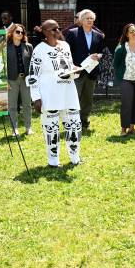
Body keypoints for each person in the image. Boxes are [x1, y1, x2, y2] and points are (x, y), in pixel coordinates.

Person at [29, 19, 82, 167]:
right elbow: (33, 75)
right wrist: (36, 97)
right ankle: (53, 161)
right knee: (51, 129)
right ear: (45, 32)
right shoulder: (39, 50)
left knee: (74, 125)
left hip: (68, 92)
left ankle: (75, 158)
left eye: (58, 28)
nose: (58, 31)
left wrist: (76, 70)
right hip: (49, 94)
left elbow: (68, 66)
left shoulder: (65, 46)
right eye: (53, 29)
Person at [64, 9, 105, 131]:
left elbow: (102, 51)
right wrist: (71, 66)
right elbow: (66, 52)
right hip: (77, 72)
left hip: (91, 71)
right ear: (81, 20)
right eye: (87, 18)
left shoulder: (98, 35)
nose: (90, 21)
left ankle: (84, 120)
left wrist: (98, 55)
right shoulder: (72, 33)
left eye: (92, 19)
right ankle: (72, 121)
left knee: (88, 98)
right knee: (74, 97)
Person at [113, 23, 135, 136]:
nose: (134, 33)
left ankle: (132, 128)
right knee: (127, 104)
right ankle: (123, 129)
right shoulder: (121, 48)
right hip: (126, 80)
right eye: (131, 31)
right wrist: (120, 77)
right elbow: (116, 64)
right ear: (127, 35)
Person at [6, 24, 33, 136]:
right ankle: (14, 129)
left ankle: (28, 128)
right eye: (18, 32)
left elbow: (33, 64)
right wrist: (5, 81)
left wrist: (33, 77)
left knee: (27, 104)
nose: (20, 34)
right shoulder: (5, 47)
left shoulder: (28, 46)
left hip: (26, 79)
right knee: (12, 106)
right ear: (11, 33)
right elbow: (3, 65)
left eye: (22, 32)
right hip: (11, 80)